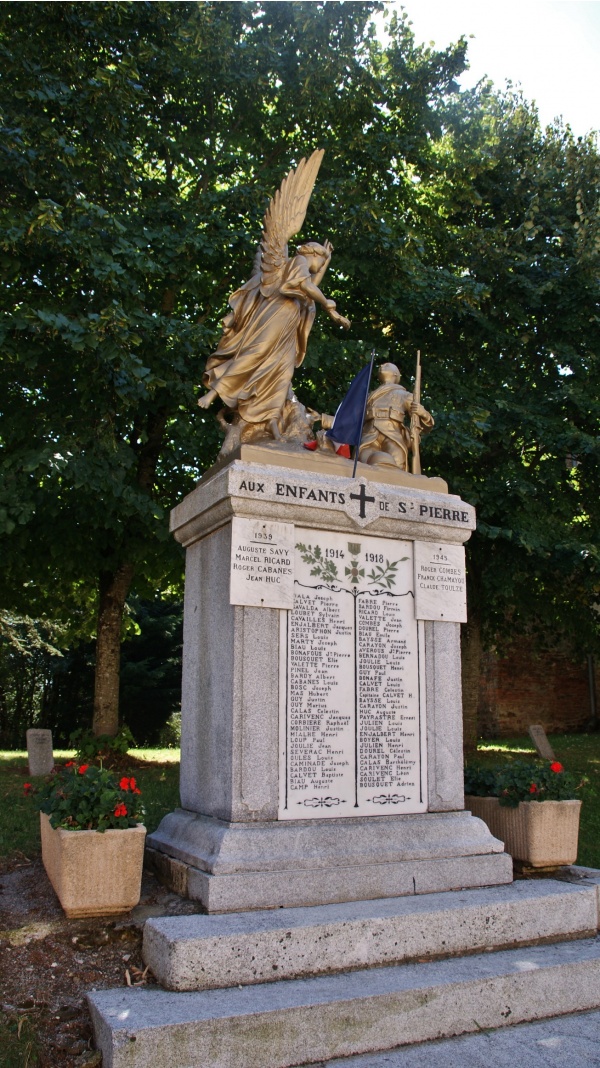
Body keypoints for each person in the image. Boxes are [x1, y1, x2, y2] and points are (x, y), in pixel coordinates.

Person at [197, 151, 349, 449]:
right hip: (276, 315)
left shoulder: (305, 268)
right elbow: (305, 284)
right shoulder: (297, 263)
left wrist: (327, 264)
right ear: (311, 254)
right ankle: (213, 393)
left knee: (282, 373)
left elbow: (309, 287)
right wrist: (329, 305)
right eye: (320, 259)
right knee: (256, 352)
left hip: (288, 326)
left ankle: (273, 426)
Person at [358, 363, 433, 470]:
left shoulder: (404, 395)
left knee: (396, 464)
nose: (382, 366)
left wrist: (423, 413)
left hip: (393, 435)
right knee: (363, 463)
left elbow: (424, 425)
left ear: (395, 374)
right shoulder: (369, 396)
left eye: (387, 366)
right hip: (369, 434)